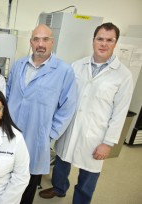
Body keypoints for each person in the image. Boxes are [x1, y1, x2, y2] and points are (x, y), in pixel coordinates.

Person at [39, 23, 134, 204]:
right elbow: (63, 97)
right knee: (61, 161)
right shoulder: (76, 66)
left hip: (96, 135)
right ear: (93, 41)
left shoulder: (123, 75)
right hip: (70, 127)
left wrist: (107, 143)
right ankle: (59, 188)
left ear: (115, 43)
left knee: (88, 176)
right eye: (100, 39)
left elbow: (120, 113)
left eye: (109, 40)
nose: (103, 44)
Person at [6, 24, 77, 204]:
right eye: (36, 39)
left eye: (45, 39)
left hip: (36, 138)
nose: (40, 44)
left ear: (52, 42)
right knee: (6, 180)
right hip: (10, 133)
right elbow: (7, 95)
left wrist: (50, 134)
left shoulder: (63, 71)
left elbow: (68, 106)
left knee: (28, 185)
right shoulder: (18, 65)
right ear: (31, 42)